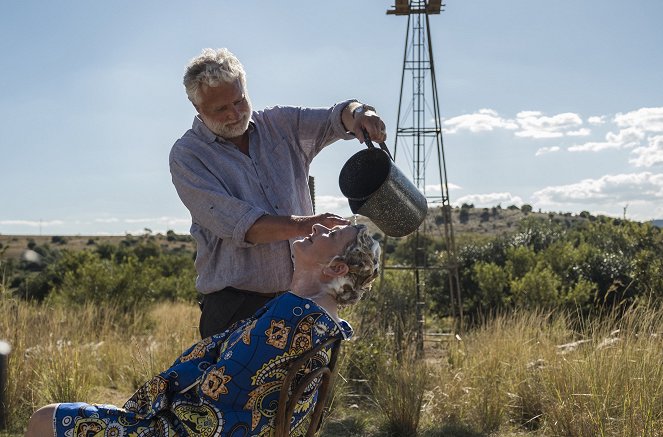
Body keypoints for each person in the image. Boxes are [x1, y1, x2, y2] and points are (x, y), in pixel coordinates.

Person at [25, 224, 380, 437]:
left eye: (331, 234)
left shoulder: (288, 323)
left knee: (46, 419)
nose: (317, 229)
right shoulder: (321, 325)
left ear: (335, 267)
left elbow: (216, 397)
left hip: (183, 428)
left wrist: (150, 409)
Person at [170, 48, 388, 338]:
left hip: (300, 301)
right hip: (236, 307)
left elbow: (337, 118)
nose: (235, 114)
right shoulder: (189, 155)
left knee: (304, 382)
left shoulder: (281, 125)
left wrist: (361, 113)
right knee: (233, 383)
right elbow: (243, 226)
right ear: (198, 109)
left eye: (239, 101)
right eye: (220, 109)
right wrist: (307, 224)